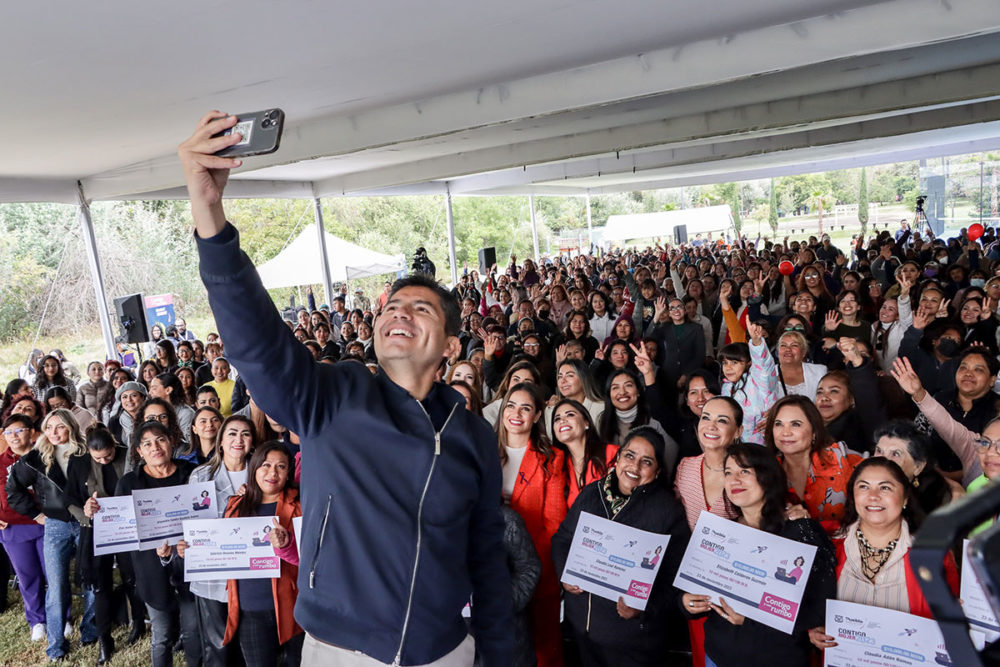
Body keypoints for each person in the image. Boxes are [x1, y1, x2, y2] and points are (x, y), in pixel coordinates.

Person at [180, 111, 512, 665]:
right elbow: (257, 344)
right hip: (340, 649)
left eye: (421, 307)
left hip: (444, 651)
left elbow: (485, 558)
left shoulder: (473, 434)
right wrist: (210, 215)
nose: (399, 312)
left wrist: (501, 655)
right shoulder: (334, 395)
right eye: (393, 305)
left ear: (452, 347)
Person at [682, 443, 836, 667]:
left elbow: (817, 612)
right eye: (728, 472)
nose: (734, 480)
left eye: (744, 471)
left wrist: (751, 621)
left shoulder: (800, 531)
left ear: (768, 476)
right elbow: (692, 591)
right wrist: (687, 603)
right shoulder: (720, 533)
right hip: (717, 655)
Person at [552, 427, 691, 667]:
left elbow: (675, 577)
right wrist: (565, 573)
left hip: (633, 642)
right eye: (629, 456)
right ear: (617, 458)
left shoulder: (668, 512)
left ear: (657, 471)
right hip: (583, 633)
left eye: (646, 461)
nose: (634, 467)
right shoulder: (591, 494)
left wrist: (643, 607)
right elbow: (562, 538)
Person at [809, 458, 959, 652]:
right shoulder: (827, 544)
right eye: (863, 487)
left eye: (885, 488)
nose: (873, 496)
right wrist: (813, 629)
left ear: (905, 498)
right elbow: (810, 606)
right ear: (852, 496)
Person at [5, 409, 97, 660]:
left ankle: (90, 632)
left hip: (87, 522)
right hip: (55, 524)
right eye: (49, 427)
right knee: (56, 585)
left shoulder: (86, 452)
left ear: (71, 427)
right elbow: (13, 489)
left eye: (60, 426)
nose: (54, 433)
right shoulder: (36, 457)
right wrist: (36, 515)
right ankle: (56, 645)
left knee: (90, 578)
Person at [116, 420, 199, 667]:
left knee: (193, 631)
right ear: (139, 451)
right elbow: (121, 527)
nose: (156, 447)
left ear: (171, 442)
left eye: (160, 439)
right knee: (161, 636)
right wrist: (96, 511)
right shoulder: (129, 483)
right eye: (147, 443)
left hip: (191, 566)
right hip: (151, 568)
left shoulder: (191, 474)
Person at [496, 382, 567, 667]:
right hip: (491, 565)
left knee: (544, 646)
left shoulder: (551, 458)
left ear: (537, 415)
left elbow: (553, 522)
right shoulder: (484, 451)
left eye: (526, 408)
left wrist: (531, 568)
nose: (517, 413)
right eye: (511, 406)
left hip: (535, 563)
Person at [182, 414, 256, 666]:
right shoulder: (201, 476)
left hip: (251, 574)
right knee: (217, 645)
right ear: (221, 441)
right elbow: (191, 525)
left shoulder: (261, 474)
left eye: (245, 434)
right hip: (212, 574)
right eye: (232, 433)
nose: (239, 439)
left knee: (249, 645)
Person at [220, 442, 303, 665]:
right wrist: (190, 550)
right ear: (254, 468)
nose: (272, 473)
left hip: (294, 606)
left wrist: (287, 543)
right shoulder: (235, 506)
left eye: (281, 467)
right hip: (250, 608)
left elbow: (309, 555)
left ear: (288, 474)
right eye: (266, 465)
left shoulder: (301, 503)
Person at [70, 423, 141, 664]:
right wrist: (85, 511)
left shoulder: (128, 454)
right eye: (97, 457)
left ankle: (138, 624)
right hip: (95, 529)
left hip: (127, 527)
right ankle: (104, 639)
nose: (103, 461)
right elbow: (69, 498)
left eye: (108, 455)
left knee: (132, 577)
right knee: (100, 583)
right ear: (89, 451)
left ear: (114, 445)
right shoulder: (78, 462)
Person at [764, 395, 862, 533]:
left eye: (796, 424)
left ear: (814, 432)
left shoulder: (841, 459)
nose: (785, 432)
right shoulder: (765, 470)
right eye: (778, 424)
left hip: (846, 548)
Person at [0, 415, 46, 643]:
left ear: (31, 432)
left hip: (45, 523)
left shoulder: (45, 457)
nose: (14, 436)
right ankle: (37, 620)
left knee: (53, 574)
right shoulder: (0, 462)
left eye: (18, 430)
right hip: (14, 528)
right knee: (27, 576)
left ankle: (62, 616)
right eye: (8, 432)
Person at [872, 420, 963, 517]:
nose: (882, 460)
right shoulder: (860, 481)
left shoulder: (938, 500)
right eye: (879, 450)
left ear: (918, 467)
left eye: (895, 454)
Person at [549, 398, 617, 507]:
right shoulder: (557, 467)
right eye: (557, 419)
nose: (562, 420)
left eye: (570, 415)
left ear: (586, 423)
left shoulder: (612, 453)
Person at [718, 322, 778, 445]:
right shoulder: (726, 386)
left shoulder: (758, 381)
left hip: (762, 446)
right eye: (725, 363)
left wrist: (757, 343)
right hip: (735, 446)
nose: (728, 367)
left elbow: (764, 366)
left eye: (734, 362)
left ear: (749, 363)